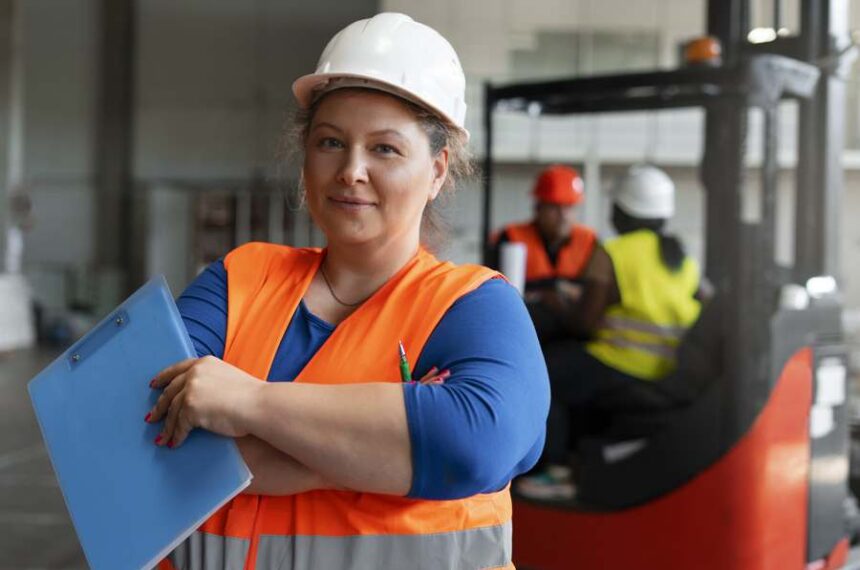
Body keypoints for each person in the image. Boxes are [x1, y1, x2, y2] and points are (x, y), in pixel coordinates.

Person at [145, 13, 549, 570]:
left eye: (384, 149)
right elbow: (137, 430)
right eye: (331, 142)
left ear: (436, 172)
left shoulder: (473, 306)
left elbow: (474, 444)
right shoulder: (240, 279)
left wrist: (248, 402)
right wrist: (375, 451)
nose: (351, 170)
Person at [516, 164, 709, 500]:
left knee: (544, 375)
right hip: (664, 369)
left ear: (622, 210)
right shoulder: (683, 258)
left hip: (621, 361)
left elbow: (583, 324)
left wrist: (558, 303)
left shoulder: (615, 251)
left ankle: (558, 470)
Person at [491, 165, 599, 343]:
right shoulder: (511, 237)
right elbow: (498, 292)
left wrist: (554, 289)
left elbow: (594, 293)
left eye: (569, 207)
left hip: (572, 336)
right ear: (538, 208)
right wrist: (555, 290)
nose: (563, 215)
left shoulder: (589, 240)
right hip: (525, 330)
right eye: (555, 207)